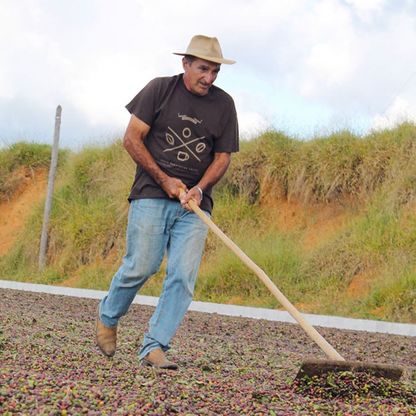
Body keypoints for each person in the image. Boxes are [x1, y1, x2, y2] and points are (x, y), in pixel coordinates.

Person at [96, 35, 239, 370]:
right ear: (185, 64)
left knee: (183, 277)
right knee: (141, 265)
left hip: (194, 206)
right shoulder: (159, 89)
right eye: (203, 69)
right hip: (152, 193)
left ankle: (154, 346)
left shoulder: (224, 104)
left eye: (215, 71)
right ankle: (108, 315)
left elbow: (222, 157)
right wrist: (165, 180)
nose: (210, 77)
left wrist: (200, 190)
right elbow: (132, 139)